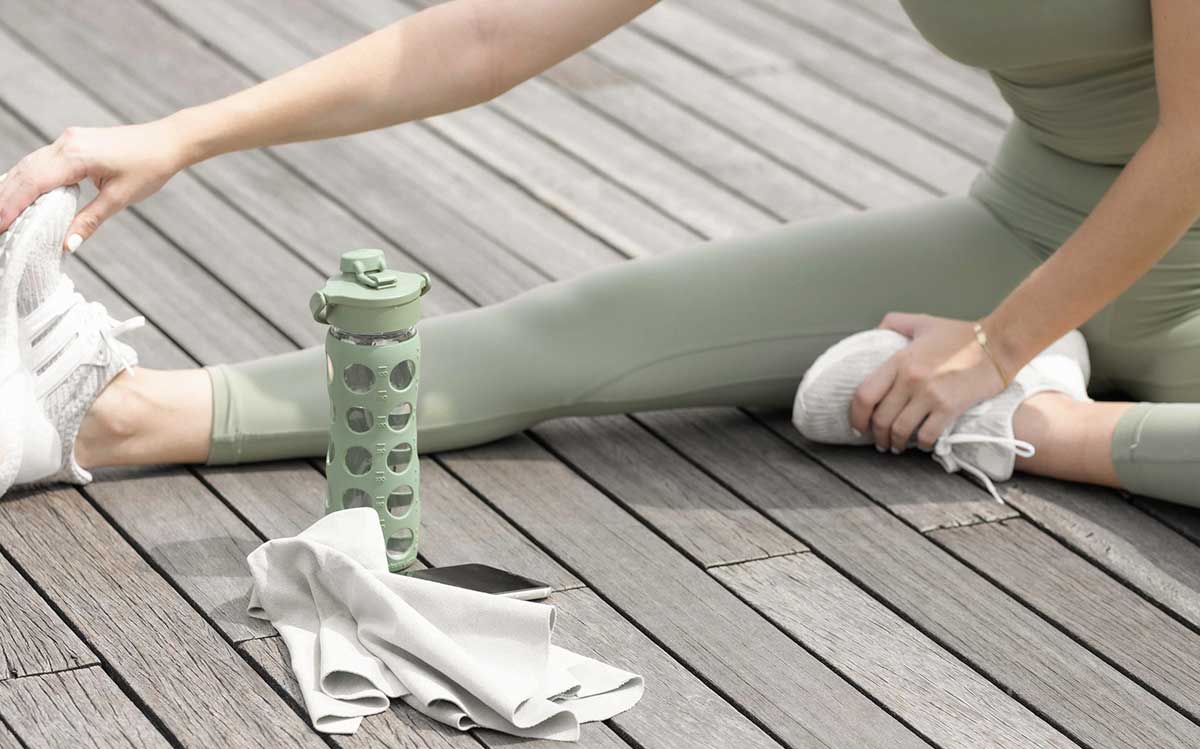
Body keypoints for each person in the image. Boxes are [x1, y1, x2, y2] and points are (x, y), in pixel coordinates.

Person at [1, 0, 1197, 508]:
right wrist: (181, 133)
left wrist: (998, 353)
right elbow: (482, 34)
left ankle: (1054, 428)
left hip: (1136, 278)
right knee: (572, 333)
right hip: (1030, 225)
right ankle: (104, 416)